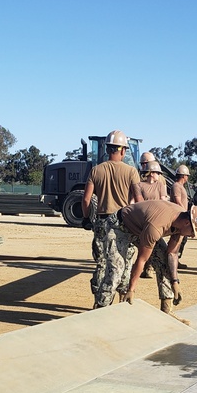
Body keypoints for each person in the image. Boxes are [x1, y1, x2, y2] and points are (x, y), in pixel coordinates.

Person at [118, 200, 197, 323]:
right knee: (115, 268)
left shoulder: (181, 224)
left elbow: (172, 254)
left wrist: (175, 282)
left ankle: (166, 312)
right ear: (186, 223)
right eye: (193, 232)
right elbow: (142, 259)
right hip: (120, 226)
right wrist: (131, 289)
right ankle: (102, 307)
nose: (193, 236)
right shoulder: (157, 226)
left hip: (142, 228)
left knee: (163, 261)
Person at [83, 130, 143, 307]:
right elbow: (139, 201)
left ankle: (98, 303)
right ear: (123, 150)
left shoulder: (96, 170)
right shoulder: (131, 172)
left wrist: (87, 218)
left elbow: (86, 199)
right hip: (123, 224)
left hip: (102, 222)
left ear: (107, 149)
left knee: (103, 263)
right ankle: (122, 302)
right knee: (123, 262)